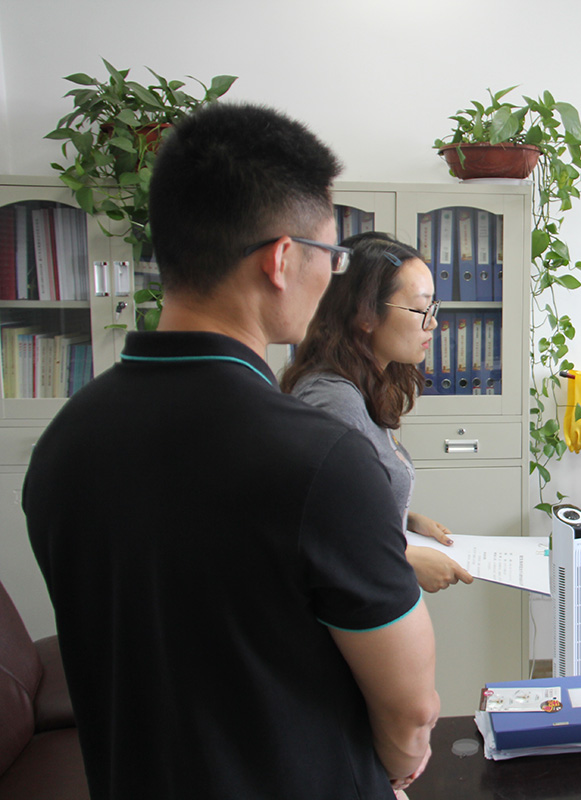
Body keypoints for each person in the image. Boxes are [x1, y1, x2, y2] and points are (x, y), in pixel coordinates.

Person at [23, 103, 439, 799]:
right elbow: (411, 708)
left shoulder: (63, 445)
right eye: (331, 257)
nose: (332, 277)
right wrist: (396, 765)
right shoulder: (323, 460)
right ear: (281, 260)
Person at [280, 232, 472, 593]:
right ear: (367, 314)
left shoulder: (364, 386)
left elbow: (347, 499)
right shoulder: (333, 400)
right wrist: (404, 557)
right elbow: (312, 527)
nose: (432, 323)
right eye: (421, 309)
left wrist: (403, 520)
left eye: (433, 308)